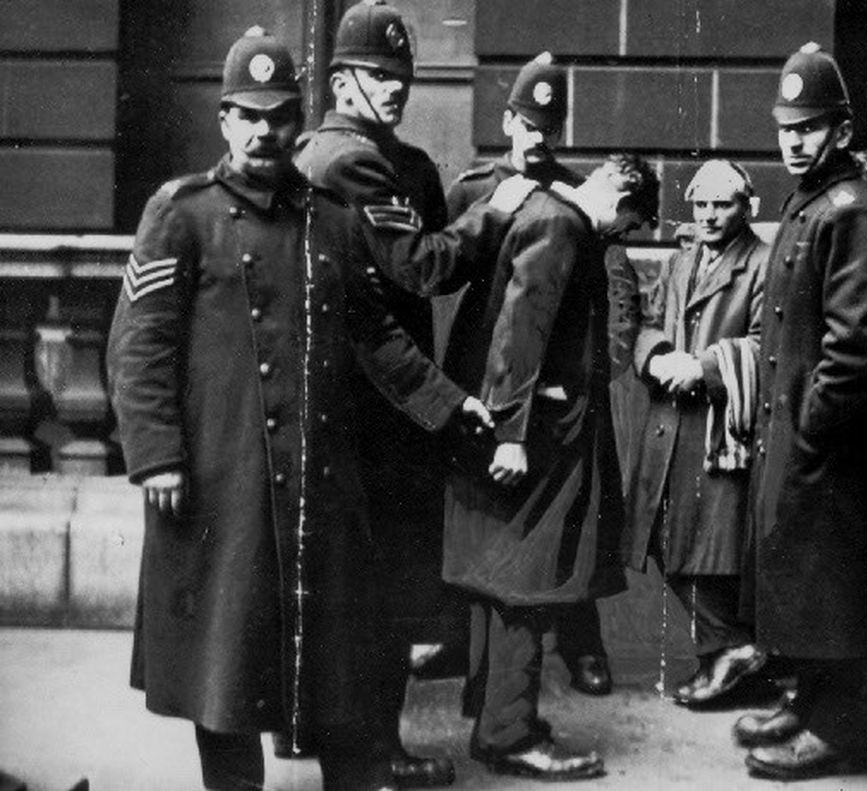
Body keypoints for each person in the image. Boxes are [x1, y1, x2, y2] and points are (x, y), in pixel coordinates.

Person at [106, 28, 532, 791]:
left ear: (299, 117)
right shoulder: (182, 214)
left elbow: (378, 336)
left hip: (318, 491)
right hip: (222, 485)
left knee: (338, 669)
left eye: (278, 115)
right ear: (225, 121)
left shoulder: (333, 220)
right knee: (226, 669)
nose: (265, 131)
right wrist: (157, 456)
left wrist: (451, 400)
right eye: (249, 115)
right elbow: (137, 347)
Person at [733, 43, 867, 780]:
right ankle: (812, 700)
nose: (794, 140)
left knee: (833, 581)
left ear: (841, 132)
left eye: (811, 127)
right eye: (787, 127)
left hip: (838, 445)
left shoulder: (851, 212)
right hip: (804, 434)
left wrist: (812, 427)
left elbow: (853, 347)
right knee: (807, 576)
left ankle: (841, 729)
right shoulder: (813, 203)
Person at [440, 155, 659, 781]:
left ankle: (491, 713)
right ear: (621, 202)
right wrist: (512, 433)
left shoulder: (539, 211)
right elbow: (521, 325)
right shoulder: (565, 225)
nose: (621, 237)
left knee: (499, 577)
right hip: (536, 437)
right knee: (528, 584)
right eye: (629, 225)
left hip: (524, 426)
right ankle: (508, 735)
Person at [294, 3, 466, 784]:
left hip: (373, 409)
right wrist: (492, 218)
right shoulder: (348, 159)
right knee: (375, 591)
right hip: (372, 409)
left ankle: (363, 747)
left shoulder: (396, 161)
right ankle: (369, 755)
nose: (393, 90)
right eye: (377, 77)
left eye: (402, 78)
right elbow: (423, 268)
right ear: (340, 81)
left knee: (371, 589)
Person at [442, 52, 613, 698]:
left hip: (543, 380)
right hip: (479, 372)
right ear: (507, 120)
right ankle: (475, 660)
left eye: (550, 125)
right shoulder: (474, 188)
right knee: (485, 517)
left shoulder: (571, 196)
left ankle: (580, 644)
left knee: (550, 525)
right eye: (528, 122)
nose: (538, 136)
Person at [625, 160, 769, 708]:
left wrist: (706, 368)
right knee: (660, 537)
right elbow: (649, 321)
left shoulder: (760, 263)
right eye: (701, 204)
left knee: (709, 547)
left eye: (722, 204)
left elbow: (765, 343)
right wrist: (657, 356)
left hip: (716, 427)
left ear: (746, 207)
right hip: (668, 421)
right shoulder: (681, 261)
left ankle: (728, 652)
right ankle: (733, 649)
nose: (709, 215)